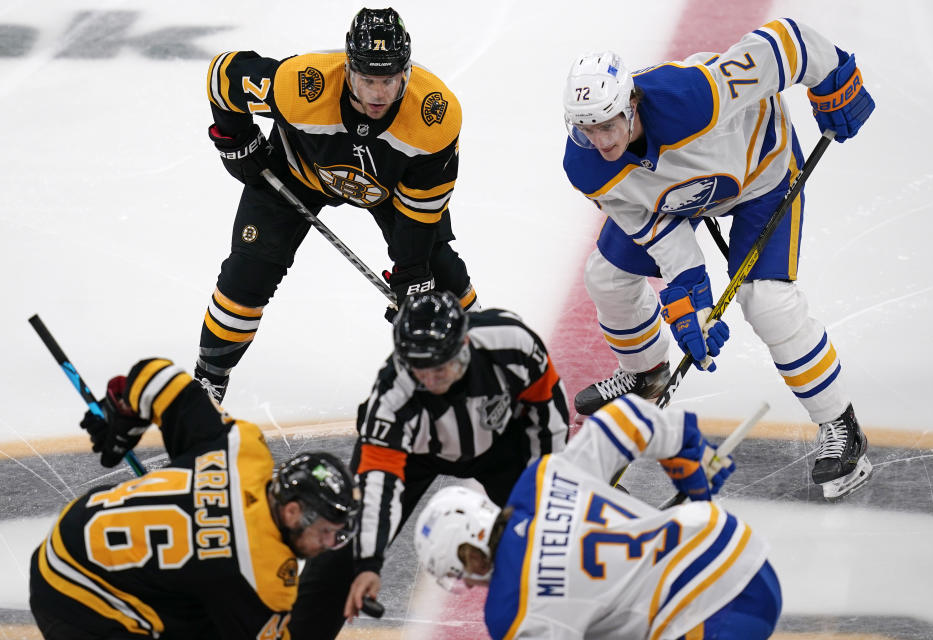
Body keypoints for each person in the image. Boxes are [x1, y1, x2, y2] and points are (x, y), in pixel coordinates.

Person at [561, 19, 875, 499]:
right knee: (605, 276)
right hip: (674, 199)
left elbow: (783, 43)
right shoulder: (586, 166)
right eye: (587, 130)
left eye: (607, 125)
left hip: (759, 175)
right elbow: (653, 228)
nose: (601, 142)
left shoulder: (694, 96)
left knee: (767, 303)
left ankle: (841, 424)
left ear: (631, 105)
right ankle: (647, 374)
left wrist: (834, 76)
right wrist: (691, 292)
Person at [195, 7, 478, 401]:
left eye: (390, 80)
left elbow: (420, 211)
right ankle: (209, 379)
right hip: (298, 172)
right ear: (348, 70)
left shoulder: (435, 116)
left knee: (440, 271)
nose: (379, 94)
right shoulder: (301, 83)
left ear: (406, 72)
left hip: (390, 190)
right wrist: (234, 138)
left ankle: (485, 356)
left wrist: (411, 273)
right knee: (247, 274)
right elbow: (223, 75)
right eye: (367, 80)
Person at [288, 290, 569, 638]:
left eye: (439, 367)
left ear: (463, 344)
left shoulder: (514, 345)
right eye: (418, 369)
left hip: (501, 443)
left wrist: (550, 500)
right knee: (344, 546)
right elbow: (377, 485)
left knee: (555, 531)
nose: (430, 380)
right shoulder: (391, 395)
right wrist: (368, 563)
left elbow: (548, 426)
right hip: (415, 454)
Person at [29, 357, 358, 640]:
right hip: (76, 602)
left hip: (78, 527)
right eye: (326, 531)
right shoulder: (261, 574)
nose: (330, 543)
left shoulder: (241, 449)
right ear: (291, 511)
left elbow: (160, 378)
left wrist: (124, 411)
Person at [414, 393, 781, 639]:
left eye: (463, 574)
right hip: (732, 543)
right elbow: (623, 418)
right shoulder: (539, 481)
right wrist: (684, 447)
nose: (474, 585)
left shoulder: (511, 611)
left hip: (711, 612)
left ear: (472, 550)